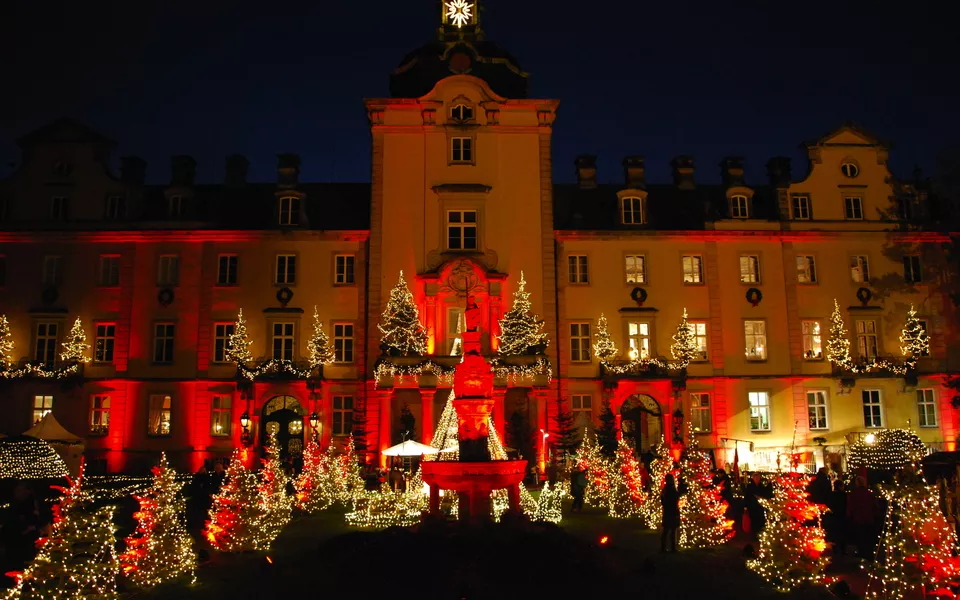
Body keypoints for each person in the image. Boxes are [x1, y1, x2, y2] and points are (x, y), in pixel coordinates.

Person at [846, 476, 879, 560]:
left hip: (858, 518)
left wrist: (849, 516)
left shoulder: (853, 494)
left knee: (860, 537)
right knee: (868, 536)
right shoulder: (869, 493)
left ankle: (862, 553)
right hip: (868, 518)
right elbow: (875, 506)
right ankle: (869, 553)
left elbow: (850, 506)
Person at [661, 474, 683, 553]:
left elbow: (663, 500)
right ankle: (672, 548)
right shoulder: (672, 489)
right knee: (672, 530)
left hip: (667, 511)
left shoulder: (665, 489)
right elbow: (675, 499)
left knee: (666, 531)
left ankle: (664, 548)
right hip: (672, 511)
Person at [744, 473, 771, 538]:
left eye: (758, 478)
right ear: (753, 479)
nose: (757, 479)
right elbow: (746, 496)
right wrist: (745, 506)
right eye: (755, 478)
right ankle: (754, 534)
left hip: (760, 507)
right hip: (752, 506)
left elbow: (766, 493)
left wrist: (769, 485)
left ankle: (760, 534)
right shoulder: (750, 486)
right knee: (753, 520)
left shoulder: (761, 486)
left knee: (760, 520)